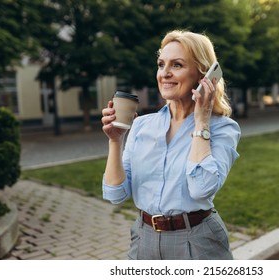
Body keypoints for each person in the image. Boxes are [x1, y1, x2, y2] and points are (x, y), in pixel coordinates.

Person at [101, 30, 241, 260]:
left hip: (198, 241)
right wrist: (115, 140)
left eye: (176, 65)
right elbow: (116, 194)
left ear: (203, 75)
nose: (164, 73)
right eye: (161, 64)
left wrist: (202, 119)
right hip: (143, 239)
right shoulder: (142, 126)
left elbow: (202, 187)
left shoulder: (224, 128)